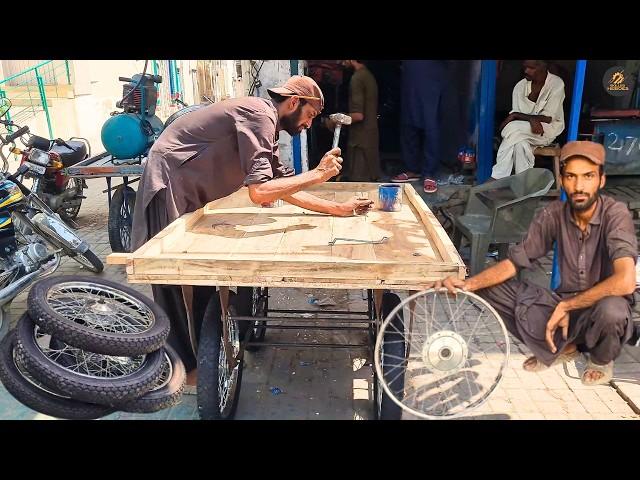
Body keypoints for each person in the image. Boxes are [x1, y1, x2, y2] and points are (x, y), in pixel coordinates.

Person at [131, 75, 373, 384]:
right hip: (168, 182)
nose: (310, 125)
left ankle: (205, 358)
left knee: (201, 276)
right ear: (294, 102)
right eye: (311, 116)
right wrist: (317, 174)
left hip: (189, 193)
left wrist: (338, 208)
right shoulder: (260, 113)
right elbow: (260, 192)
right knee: (174, 279)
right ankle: (178, 372)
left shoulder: (267, 127)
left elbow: (281, 187)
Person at [437, 141, 637, 386]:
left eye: (588, 176)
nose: (579, 186)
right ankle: (566, 346)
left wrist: (567, 306)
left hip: (602, 308)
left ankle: (600, 359)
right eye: (571, 176)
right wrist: (468, 284)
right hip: (566, 305)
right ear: (562, 180)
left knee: (612, 311)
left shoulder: (616, 215)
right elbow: (514, 262)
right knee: (489, 287)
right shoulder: (554, 214)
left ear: (601, 180)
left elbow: (626, 281)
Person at [490, 60, 565, 180]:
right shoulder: (520, 87)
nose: (526, 71)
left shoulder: (556, 84)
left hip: (547, 129)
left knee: (512, 128)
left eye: (531, 68)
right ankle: (524, 185)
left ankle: (497, 177)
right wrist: (529, 119)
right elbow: (517, 121)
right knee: (520, 144)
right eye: (525, 67)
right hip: (522, 132)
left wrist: (516, 115)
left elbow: (548, 118)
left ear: (543, 66)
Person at [391, 60, 449, 193]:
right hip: (410, 82)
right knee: (408, 124)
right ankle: (412, 169)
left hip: (432, 83)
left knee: (431, 126)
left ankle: (429, 173)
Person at [326, 60, 381, 181]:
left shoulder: (357, 78)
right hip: (368, 138)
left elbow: (358, 115)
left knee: (359, 184)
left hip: (360, 142)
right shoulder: (368, 75)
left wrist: (334, 120)